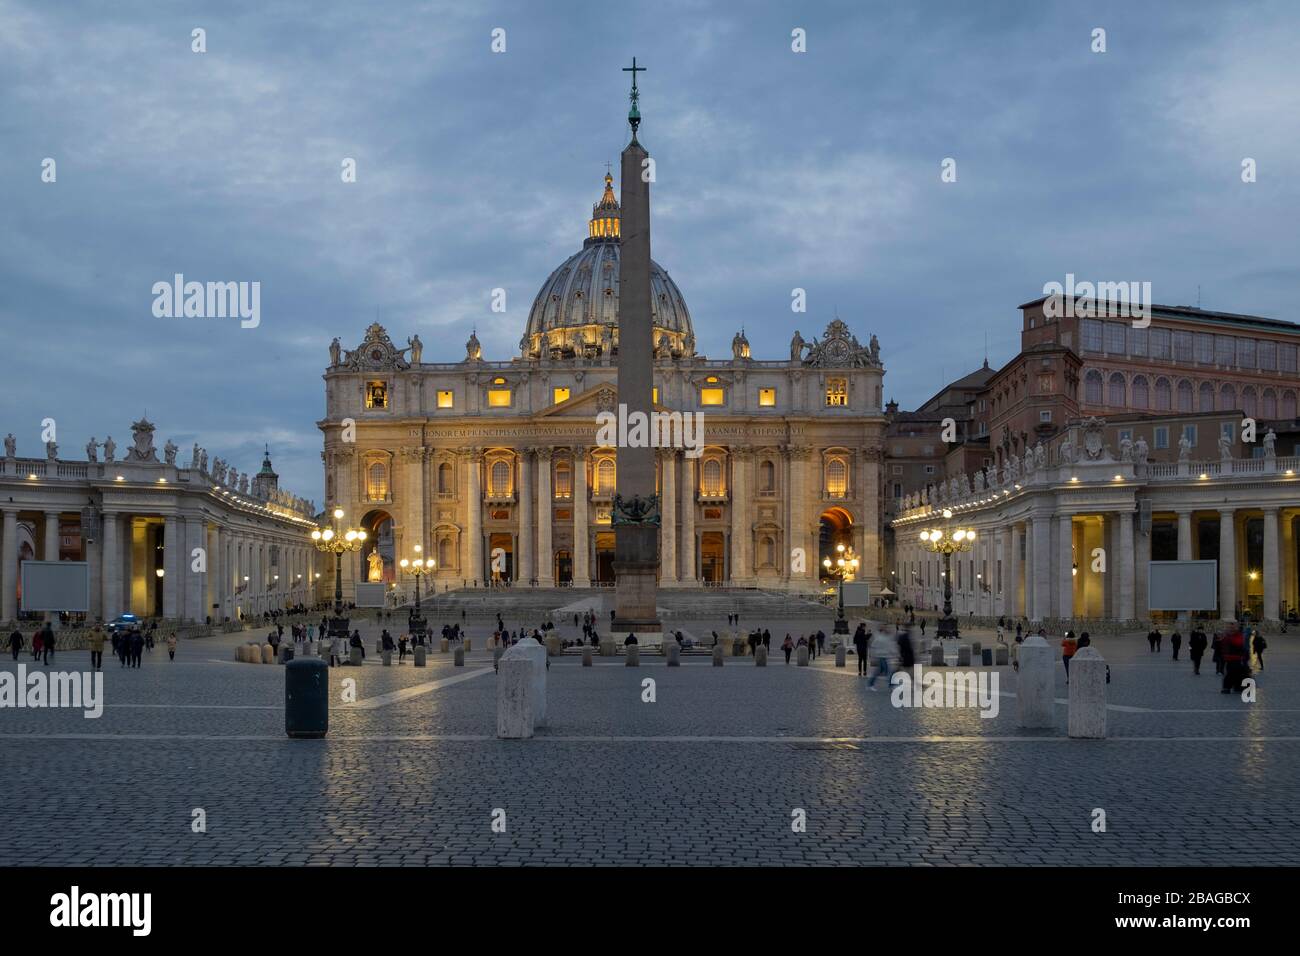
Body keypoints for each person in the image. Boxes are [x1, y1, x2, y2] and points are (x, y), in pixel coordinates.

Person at [1220, 626, 1248, 694]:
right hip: (1231, 658)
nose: (1231, 631)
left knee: (1232, 674)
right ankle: (1235, 687)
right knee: (1234, 673)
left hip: (1236, 658)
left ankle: (1230, 687)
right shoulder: (1230, 637)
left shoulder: (1237, 637)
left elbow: (1238, 643)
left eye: (1232, 630)